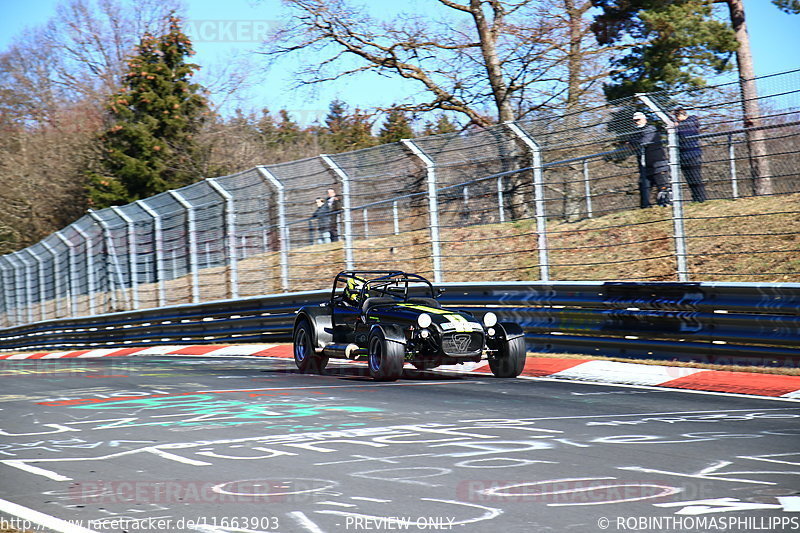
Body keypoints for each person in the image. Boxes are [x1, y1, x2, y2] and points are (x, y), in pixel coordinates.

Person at [630, 111, 671, 208]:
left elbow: (644, 142)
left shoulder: (650, 129)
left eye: (638, 120)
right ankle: (645, 207)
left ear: (644, 119)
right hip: (645, 165)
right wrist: (634, 143)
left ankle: (666, 204)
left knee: (662, 186)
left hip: (657, 162)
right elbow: (632, 143)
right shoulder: (635, 132)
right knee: (644, 187)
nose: (636, 122)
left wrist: (635, 143)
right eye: (634, 120)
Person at [674, 107, 707, 203]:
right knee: (689, 179)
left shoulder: (691, 122)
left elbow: (686, 131)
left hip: (692, 154)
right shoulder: (680, 125)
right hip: (683, 155)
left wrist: (676, 127)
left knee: (696, 177)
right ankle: (695, 198)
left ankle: (700, 198)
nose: (676, 119)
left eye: (677, 116)